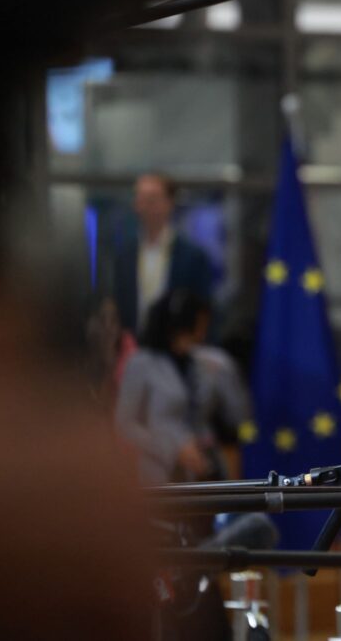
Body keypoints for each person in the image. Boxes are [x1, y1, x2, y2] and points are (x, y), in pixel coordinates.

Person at [115, 289, 250, 486]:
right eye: (199, 323)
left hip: (207, 469)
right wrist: (173, 449)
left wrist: (223, 372)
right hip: (161, 472)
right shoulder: (141, 363)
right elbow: (124, 424)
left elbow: (238, 414)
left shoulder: (206, 362)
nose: (203, 331)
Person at [113, 173, 212, 334]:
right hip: (133, 349)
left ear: (169, 203)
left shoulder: (192, 257)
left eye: (152, 199)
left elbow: (204, 311)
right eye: (140, 199)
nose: (145, 206)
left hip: (176, 350)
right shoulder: (125, 256)